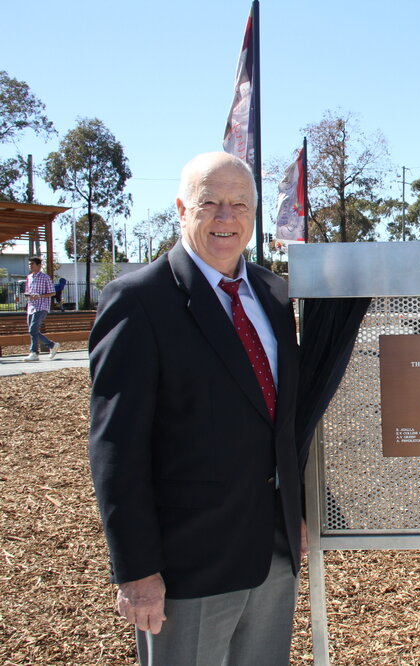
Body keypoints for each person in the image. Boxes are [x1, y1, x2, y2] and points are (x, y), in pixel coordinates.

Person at [88, 152, 305, 665]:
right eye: (210, 203)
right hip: (187, 566)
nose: (226, 218)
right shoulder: (139, 300)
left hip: (273, 553)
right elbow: (116, 447)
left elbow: (285, 419)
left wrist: (301, 507)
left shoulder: (276, 295)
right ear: (183, 208)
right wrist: (137, 571)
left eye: (239, 204)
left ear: (254, 213)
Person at [23, 257, 60, 361]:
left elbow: (53, 292)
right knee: (33, 331)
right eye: (29, 264)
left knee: (32, 329)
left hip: (41, 307)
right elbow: (27, 291)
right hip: (31, 307)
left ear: (39, 265)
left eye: (32, 264)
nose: (30, 266)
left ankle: (34, 352)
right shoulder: (29, 277)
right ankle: (52, 345)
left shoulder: (45, 277)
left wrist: (39, 296)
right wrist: (28, 295)